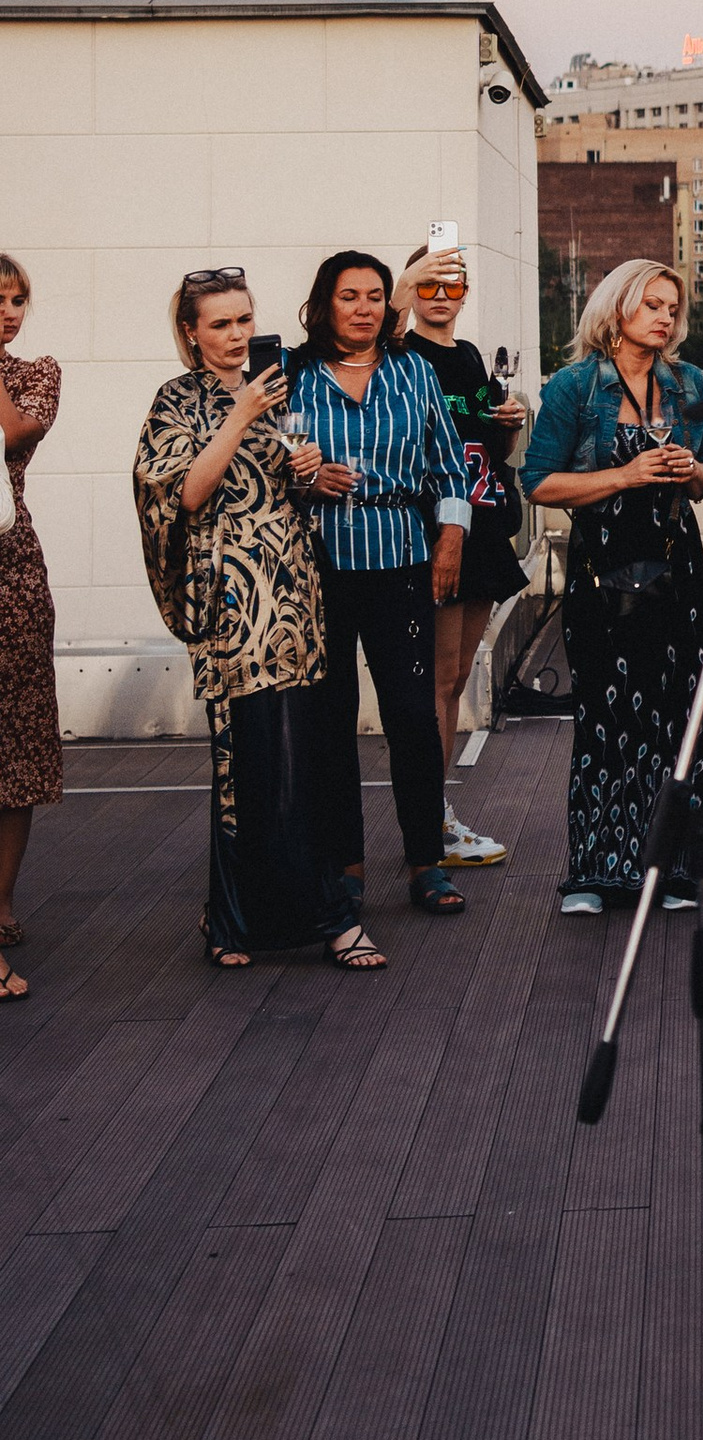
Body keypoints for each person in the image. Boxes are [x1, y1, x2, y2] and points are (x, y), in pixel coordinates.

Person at [133, 269, 382, 971]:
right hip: (231, 601)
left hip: (293, 593)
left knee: (309, 756)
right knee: (248, 760)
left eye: (244, 320)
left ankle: (332, 916)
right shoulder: (177, 401)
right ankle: (234, 921)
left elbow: (286, 488)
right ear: (191, 333)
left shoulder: (278, 390)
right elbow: (183, 494)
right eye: (220, 324)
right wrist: (242, 414)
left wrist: (305, 469)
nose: (238, 335)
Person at [523, 260, 703, 916]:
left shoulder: (689, 381)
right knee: (608, 717)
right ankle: (598, 872)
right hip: (602, 565)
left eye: (672, 307)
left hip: (676, 561)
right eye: (652, 305)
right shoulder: (574, 386)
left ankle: (674, 869)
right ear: (617, 310)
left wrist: (688, 467)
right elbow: (540, 483)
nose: (666, 318)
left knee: (683, 716)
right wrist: (625, 476)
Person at [290, 251, 476, 917]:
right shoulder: (293, 377)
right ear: (324, 305)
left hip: (401, 558)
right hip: (319, 568)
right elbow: (267, 465)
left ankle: (427, 862)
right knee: (331, 721)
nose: (364, 307)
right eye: (350, 296)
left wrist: (449, 540)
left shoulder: (414, 372)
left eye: (375, 296)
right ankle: (346, 866)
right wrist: (305, 480)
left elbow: (450, 469)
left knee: (411, 716)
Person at [390, 242, 527, 867]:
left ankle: (436, 813)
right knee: (439, 683)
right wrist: (402, 285)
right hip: (436, 530)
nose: (442, 297)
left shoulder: (469, 356)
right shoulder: (400, 353)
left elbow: (487, 447)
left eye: (454, 286)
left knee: (458, 681)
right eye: (430, 286)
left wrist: (509, 420)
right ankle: (433, 820)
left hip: (481, 525)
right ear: (412, 290)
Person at [0, 251, 65, 994]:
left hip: (10, 568)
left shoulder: (32, 371)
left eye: (18, 300)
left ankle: (4, 899)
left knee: (17, 747)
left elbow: (16, 433)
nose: (11, 312)